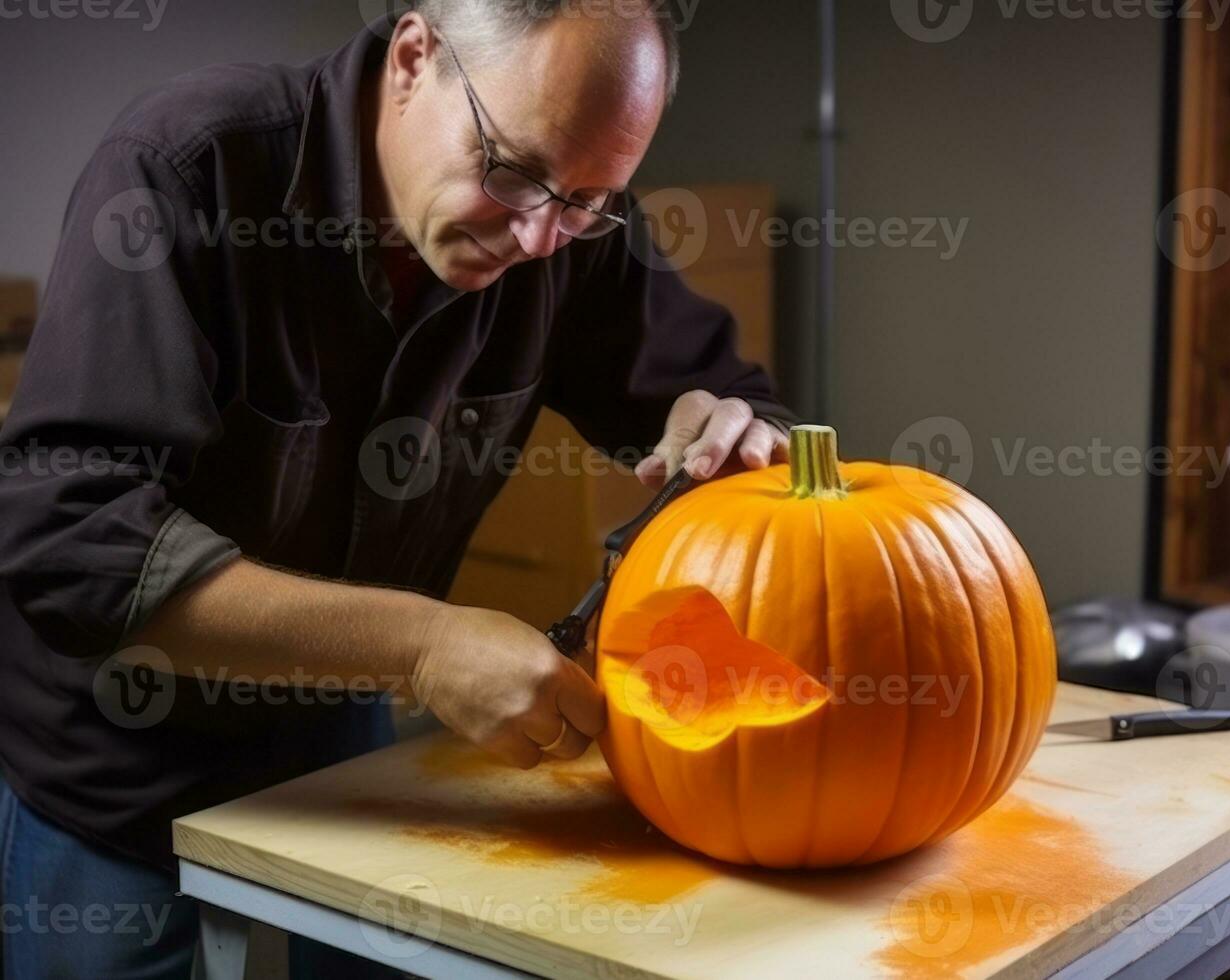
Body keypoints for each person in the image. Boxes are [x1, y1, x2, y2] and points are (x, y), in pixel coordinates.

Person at [0, 1, 799, 975]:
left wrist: (720, 422)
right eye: (511, 173)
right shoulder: (184, 167)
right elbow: (72, 540)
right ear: (416, 57)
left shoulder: (564, 216)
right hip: (115, 756)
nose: (542, 237)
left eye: (589, 200)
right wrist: (422, 650)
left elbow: (737, 401)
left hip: (343, 730)